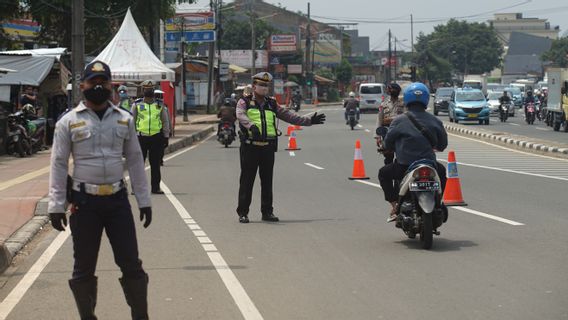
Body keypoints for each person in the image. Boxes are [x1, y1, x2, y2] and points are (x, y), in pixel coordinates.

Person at [48, 61, 152, 319]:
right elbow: (59, 164)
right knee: (83, 267)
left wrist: (144, 200)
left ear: (110, 85)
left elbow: (137, 161)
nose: (98, 86)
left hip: (117, 201)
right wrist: (56, 205)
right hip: (85, 204)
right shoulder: (68, 123)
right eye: (92, 82)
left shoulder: (124, 119)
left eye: (103, 82)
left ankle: (141, 316)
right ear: (82, 85)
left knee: (131, 264)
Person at [236, 72, 326, 223]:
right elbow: (240, 115)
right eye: (261, 85)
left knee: (267, 181)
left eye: (266, 85)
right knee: (247, 181)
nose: (264, 88)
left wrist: (309, 121)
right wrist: (251, 126)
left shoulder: (272, 104)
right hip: (250, 147)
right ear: (254, 86)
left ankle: (267, 212)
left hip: (267, 148)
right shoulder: (244, 102)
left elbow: (290, 116)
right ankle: (243, 212)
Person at [378, 82, 448, 222]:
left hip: (404, 165)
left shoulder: (399, 121)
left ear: (407, 99)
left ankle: (394, 205)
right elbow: (442, 145)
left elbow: (388, 143)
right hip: (430, 165)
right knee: (442, 173)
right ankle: (438, 202)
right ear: (426, 99)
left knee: (383, 173)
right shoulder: (435, 121)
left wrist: (386, 146)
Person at [131, 80, 170, 194]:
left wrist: (166, 136)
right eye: (146, 89)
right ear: (143, 90)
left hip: (156, 137)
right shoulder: (136, 105)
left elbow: (165, 121)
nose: (148, 91)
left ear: (153, 90)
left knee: (155, 164)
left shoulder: (159, 105)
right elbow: (131, 122)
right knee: (138, 165)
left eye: (150, 89)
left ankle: (155, 187)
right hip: (140, 137)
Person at [376, 83, 404, 165]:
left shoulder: (404, 103)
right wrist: (378, 137)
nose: (392, 91)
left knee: (402, 156)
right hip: (387, 133)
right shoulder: (384, 104)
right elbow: (379, 119)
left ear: (398, 91)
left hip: (401, 132)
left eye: (394, 89)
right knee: (388, 157)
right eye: (390, 89)